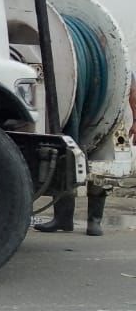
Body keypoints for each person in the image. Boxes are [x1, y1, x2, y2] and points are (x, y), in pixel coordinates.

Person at [36, 69, 136, 237]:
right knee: (65, 161)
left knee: (101, 167)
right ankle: (63, 218)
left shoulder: (120, 69)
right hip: (76, 117)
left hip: (109, 122)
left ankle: (94, 221)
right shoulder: (72, 66)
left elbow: (133, 91)